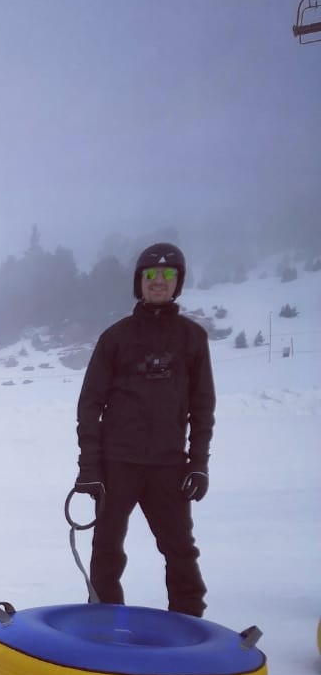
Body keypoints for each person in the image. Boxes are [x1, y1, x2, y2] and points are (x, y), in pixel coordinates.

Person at [73, 242, 215, 616]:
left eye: (168, 274)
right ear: (139, 282)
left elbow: (202, 408)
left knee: (180, 550)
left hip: (169, 465)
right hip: (117, 464)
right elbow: (89, 406)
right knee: (106, 549)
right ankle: (103, 622)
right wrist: (90, 467)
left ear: (178, 282)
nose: (159, 281)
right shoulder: (115, 338)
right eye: (151, 274)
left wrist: (198, 463)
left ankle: (189, 623)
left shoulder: (193, 338)